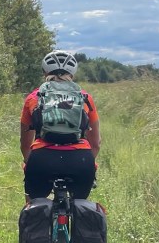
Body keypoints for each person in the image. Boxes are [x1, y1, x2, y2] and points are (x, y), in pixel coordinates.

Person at [20, 50, 100, 202]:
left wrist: (29, 164)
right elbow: (96, 143)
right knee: (79, 206)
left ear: (45, 72)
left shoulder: (33, 97)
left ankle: (36, 214)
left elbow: (25, 145)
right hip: (81, 161)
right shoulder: (85, 97)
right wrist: (88, 161)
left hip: (42, 159)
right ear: (72, 74)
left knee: (33, 206)